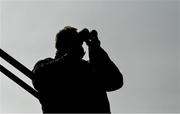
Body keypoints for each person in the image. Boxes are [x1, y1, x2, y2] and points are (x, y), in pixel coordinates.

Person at [32, 26, 123, 113]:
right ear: (63, 45)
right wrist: (72, 54)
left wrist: (96, 49)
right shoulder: (46, 65)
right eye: (76, 42)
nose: (81, 46)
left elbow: (115, 81)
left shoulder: (89, 68)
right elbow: (38, 79)